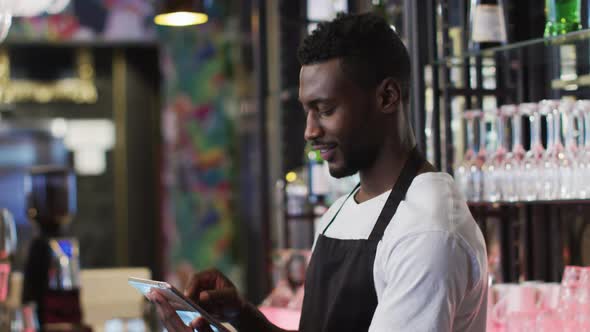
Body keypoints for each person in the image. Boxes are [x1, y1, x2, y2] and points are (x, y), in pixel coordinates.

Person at [148, 12, 488, 332]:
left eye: (324, 110)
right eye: (307, 111)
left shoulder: (425, 229)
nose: (310, 130)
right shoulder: (344, 209)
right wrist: (244, 317)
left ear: (387, 96)